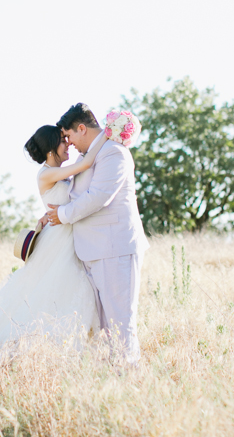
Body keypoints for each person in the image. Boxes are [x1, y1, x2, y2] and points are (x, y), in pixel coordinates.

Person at [0, 125, 102, 351]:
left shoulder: (60, 173)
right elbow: (84, 164)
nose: (68, 144)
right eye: (62, 141)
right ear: (50, 150)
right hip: (57, 242)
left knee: (65, 292)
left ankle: (63, 348)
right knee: (52, 291)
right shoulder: (46, 173)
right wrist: (107, 134)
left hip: (66, 237)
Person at [44, 103, 149, 364]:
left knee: (120, 321)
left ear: (81, 128)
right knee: (102, 325)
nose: (68, 143)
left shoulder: (113, 153)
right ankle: (110, 379)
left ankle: (129, 379)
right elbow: (75, 193)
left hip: (116, 248)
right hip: (93, 250)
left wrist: (63, 214)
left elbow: (99, 196)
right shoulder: (87, 157)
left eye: (68, 136)